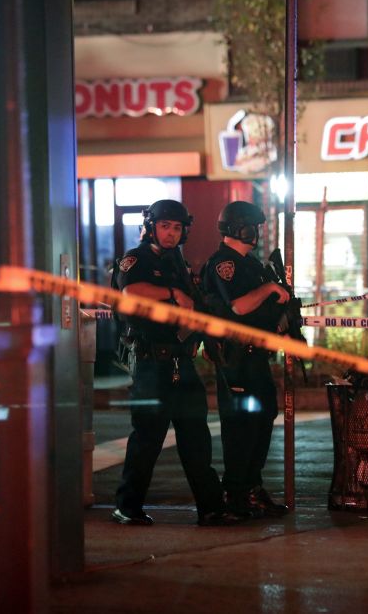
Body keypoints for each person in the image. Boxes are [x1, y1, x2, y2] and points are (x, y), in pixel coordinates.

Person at [112, 199, 241, 527]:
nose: (171, 233)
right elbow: (130, 293)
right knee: (147, 441)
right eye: (165, 226)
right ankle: (127, 507)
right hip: (151, 364)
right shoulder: (135, 258)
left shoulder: (177, 262)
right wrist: (173, 293)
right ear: (152, 226)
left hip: (181, 363)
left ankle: (211, 508)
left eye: (177, 228)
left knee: (196, 438)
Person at [202, 200, 290, 518]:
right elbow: (239, 306)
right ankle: (236, 493)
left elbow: (266, 310)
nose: (256, 233)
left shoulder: (250, 263)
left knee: (263, 417)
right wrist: (269, 288)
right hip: (236, 358)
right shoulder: (224, 263)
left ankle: (251, 488)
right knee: (240, 427)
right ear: (237, 227)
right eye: (251, 226)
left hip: (256, 356)